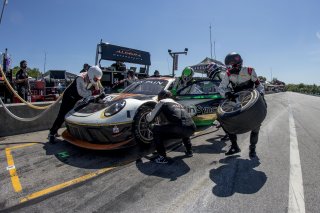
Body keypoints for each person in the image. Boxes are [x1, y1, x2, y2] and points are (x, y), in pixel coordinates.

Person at [218, 52, 265, 158]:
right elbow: (221, 87)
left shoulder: (249, 70)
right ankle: (234, 146)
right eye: (228, 65)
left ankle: (252, 148)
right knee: (225, 120)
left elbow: (259, 85)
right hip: (236, 99)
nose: (229, 68)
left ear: (238, 63)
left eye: (231, 65)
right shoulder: (228, 73)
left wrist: (261, 95)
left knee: (256, 125)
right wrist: (226, 93)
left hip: (251, 99)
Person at [48, 66, 104, 143]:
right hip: (69, 97)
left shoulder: (94, 77)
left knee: (76, 116)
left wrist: (102, 93)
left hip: (78, 98)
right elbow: (81, 92)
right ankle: (52, 133)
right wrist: (93, 92)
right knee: (62, 115)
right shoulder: (80, 78)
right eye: (95, 79)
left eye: (97, 79)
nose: (96, 80)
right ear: (91, 75)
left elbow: (99, 88)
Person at [146, 90, 196, 164]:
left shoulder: (162, 102)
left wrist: (149, 116)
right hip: (192, 128)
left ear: (162, 96)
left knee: (155, 129)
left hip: (179, 128)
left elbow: (149, 118)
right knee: (183, 126)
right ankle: (189, 151)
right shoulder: (178, 104)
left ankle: (162, 157)